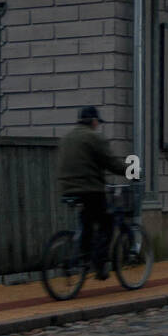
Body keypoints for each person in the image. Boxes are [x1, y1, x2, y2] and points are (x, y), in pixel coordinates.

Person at [56, 106, 128, 280]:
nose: (98, 126)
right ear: (94, 121)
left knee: (88, 221)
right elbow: (111, 162)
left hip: (67, 188)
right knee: (107, 222)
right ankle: (100, 265)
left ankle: (84, 257)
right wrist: (131, 172)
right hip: (89, 188)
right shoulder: (94, 137)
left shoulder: (67, 138)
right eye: (97, 123)